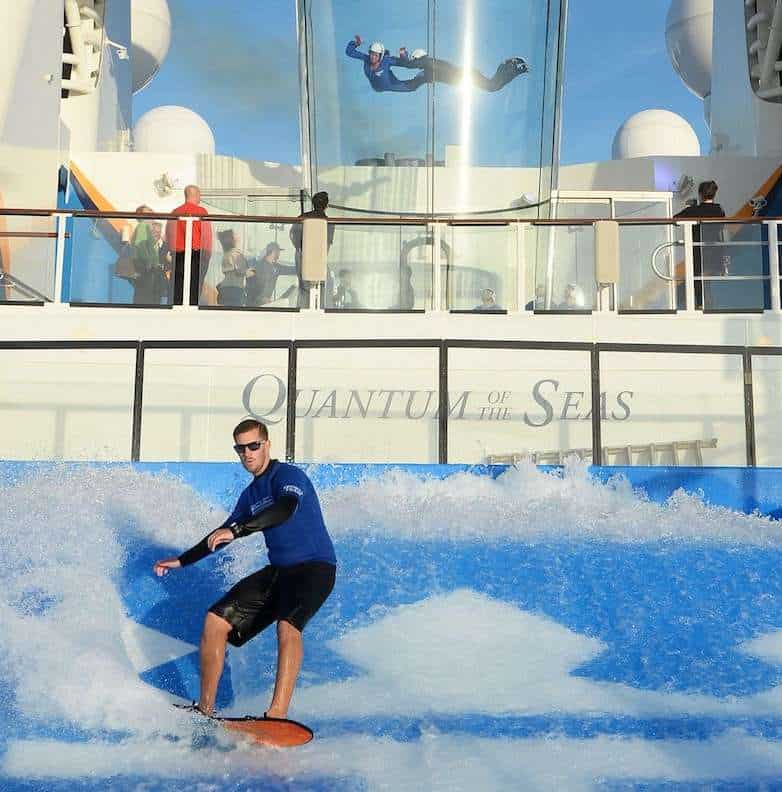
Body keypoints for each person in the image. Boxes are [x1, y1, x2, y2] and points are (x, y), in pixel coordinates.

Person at [152, 419, 337, 719]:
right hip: (280, 573)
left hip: (315, 569)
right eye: (241, 449)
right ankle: (205, 710)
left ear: (267, 445)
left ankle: (276, 715)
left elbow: (285, 509)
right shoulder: (250, 495)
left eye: (253, 446)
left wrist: (238, 529)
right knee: (215, 620)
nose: (247, 453)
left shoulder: (288, 476)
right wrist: (182, 560)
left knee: (287, 625)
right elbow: (221, 534)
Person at [346, 35, 528, 93]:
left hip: (466, 76)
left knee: (492, 86)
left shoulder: (428, 64)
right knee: (492, 85)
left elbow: (411, 67)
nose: (372, 57)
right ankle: (510, 66)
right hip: (465, 76)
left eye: (376, 54)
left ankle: (512, 66)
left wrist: (404, 57)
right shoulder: (428, 68)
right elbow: (414, 75)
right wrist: (405, 57)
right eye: (371, 54)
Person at [165, 185, 213, 306]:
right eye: (200, 195)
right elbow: (206, 237)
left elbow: (169, 235)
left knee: (178, 288)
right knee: (194, 289)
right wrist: (207, 256)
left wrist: (172, 252)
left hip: (178, 256)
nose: (200, 199)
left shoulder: (175, 213)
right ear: (196, 195)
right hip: (196, 255)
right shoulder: (201, 212)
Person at [289, 191, 336, 308]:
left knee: (304, 286)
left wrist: (299, 248)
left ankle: (303, 309)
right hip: (319, 256)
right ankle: (321, 308)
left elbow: (292, 235)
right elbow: (327, 245)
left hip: (302, 255)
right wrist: (322, 259)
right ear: (326, 205)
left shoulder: (303, 217)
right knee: (324, 284)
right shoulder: (328, 222)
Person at [245, 242, 298, 307]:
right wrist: (260, 298)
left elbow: (291, 270)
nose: (279, 254)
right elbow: (248, 284)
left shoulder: (276, 267)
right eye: (278, 251)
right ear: (274, 252)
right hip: (254, 305)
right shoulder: (258, 266)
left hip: (266, 304)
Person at [216, 229, 249, 307]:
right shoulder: (237, 254)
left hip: (224, 290)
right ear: (233, 239)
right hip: (235, 290)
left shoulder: (226, 254)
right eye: (235, 234)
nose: (238, 235)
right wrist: (252, 272)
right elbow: (240, 272)